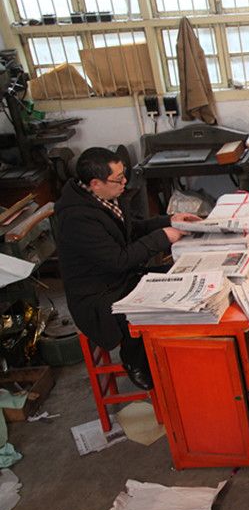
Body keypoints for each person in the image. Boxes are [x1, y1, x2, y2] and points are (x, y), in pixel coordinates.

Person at [55, 147, 199, 390]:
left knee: (182, 277)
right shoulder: (76, 218)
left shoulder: (105, 197)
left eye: (124, 175)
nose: (124, 182)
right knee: (157, 305)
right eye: (118, 179)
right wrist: (163, 237)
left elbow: (133, 229)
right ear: (95, 183)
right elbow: (119, 260)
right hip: (99, 295)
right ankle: (135, 360)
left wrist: (169, 221)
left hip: (121, 278)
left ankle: (179, 354)